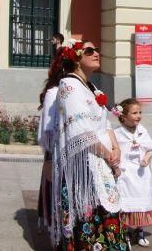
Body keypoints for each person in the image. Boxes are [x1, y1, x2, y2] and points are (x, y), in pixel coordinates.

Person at [49, 42, 126, 249]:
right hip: (84, 164)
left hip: (102, 159)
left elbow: (105, 121)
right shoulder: (69, 86)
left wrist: (116, 148)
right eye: (90, 51)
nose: (96, 54)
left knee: (108, 211)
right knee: (89, 217)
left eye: (97, 50)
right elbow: (80, 130)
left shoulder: (93, 88)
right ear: (76, 58)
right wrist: (108, 154)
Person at [114, 99, 152, 248]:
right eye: (134, 113)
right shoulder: (117, 133)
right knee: (127, 202)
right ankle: (125, 231)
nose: (138, 116)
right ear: (123, 116)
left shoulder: (142, 130)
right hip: (126, 174)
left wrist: (146, 157)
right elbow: (115, 151)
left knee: (141, 201)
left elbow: (149, 148)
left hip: (141, 173)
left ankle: (140, 230)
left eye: (140, 112)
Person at [37, 48, 71, 234]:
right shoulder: (54, 92)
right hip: (58, 155)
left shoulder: (87, 88)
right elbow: (48, 130)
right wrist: (49, 159)